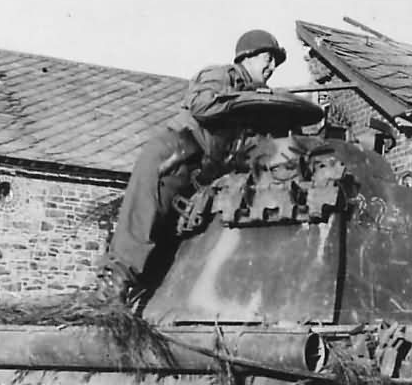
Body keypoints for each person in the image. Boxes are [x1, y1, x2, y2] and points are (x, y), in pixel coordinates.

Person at [102, 29, 287, 301]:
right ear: (247, 57)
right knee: (142, 218)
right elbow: (203, 106)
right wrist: (247, 99)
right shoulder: (222, 76)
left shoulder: (254, 102)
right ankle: (112, 287)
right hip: (173, 156)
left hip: (199, 175)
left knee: (169, 241)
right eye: (268, 59)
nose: (272, 67)